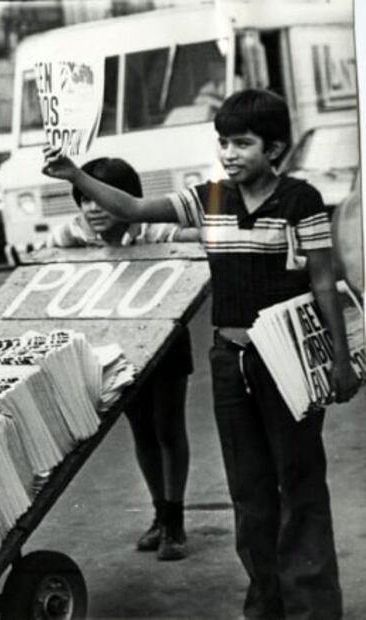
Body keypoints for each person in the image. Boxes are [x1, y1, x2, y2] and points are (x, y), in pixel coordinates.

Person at [43, 89, 359, 619]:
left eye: (243, 143)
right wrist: (76, 175)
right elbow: (136, 207)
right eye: (223, 143)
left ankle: (312, 607)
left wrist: (341, 359)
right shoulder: (208, 198)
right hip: (228, 362)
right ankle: (266, 604)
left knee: (300, 483)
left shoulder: (301, 201)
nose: (229, 153)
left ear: (275, 148)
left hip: (289, 363)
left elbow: (325, 282)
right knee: (249, 492)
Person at [47, 157, 195, 561]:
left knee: (168, 426)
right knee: (142, 430)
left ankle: (176, 522)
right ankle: (159, 515)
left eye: (101, 199)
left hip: (165, 341)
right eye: (84, 200)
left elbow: (197, 238)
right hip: (115, 347)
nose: (93, 208)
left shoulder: (153, 229)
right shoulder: (70, 235)